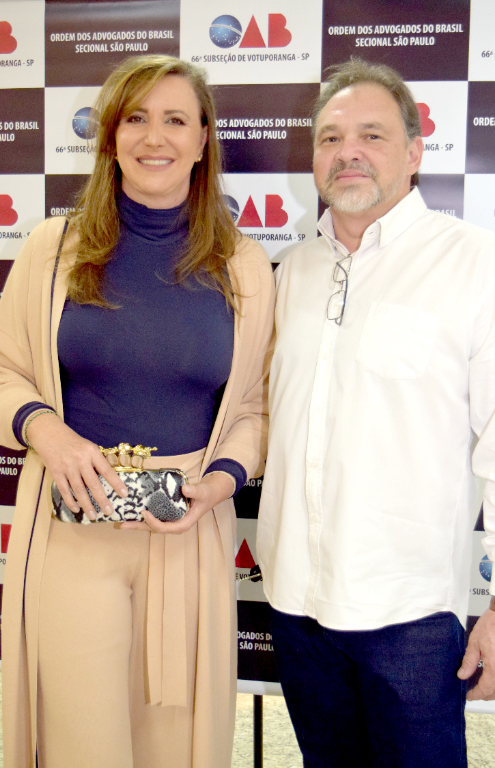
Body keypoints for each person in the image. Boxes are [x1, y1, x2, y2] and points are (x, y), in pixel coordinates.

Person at [0, 55, 274, 768]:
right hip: (72, 529)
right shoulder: (51, 251)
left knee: (174, 740)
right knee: (83, 740)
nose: (155, 137)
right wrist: (47, 434)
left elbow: (257, 408)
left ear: (204, 139)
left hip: (187, 529)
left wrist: (221, 481)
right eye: (135, 118)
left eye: (176, 119)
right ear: (110, 136)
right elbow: (0, 373)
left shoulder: (244, 266)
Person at [257, 57, 495, 768]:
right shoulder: (293, 270)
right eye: (329, 137)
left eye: (372, 134)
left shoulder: (472, 265)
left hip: (411, 616)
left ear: (417, 152)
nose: (347, 152)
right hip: (298, 603)